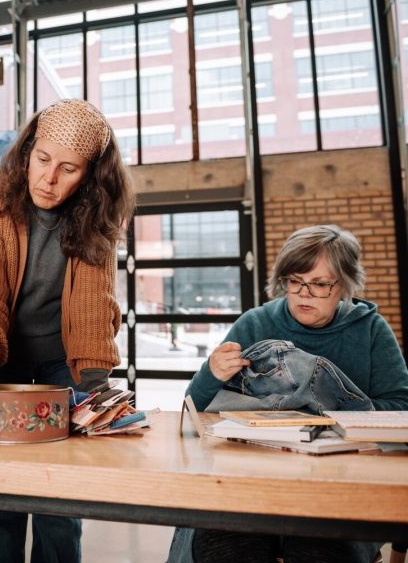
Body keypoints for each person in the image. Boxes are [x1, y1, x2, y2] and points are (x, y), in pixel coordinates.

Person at [0, 99, 135, 563]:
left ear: (89, 174)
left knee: (59, 497)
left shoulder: (98, 214)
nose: (49, 179)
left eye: (68, 169)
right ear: (27, 151)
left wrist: (95, 388)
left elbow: (93, 303)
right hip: (3, 357)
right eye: (42, 160)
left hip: (61, 360)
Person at [168, 224, 408, 563]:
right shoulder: (255, 324)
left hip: (339, 491)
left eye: (320, 284)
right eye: (295, 281)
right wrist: (211, 372)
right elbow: (195, 411)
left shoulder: (369, 329)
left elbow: (401, 407)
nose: (303, 294)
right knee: (225, 549)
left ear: (344, 285)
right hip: (251, 487)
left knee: (318, 553)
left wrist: (325, 418)